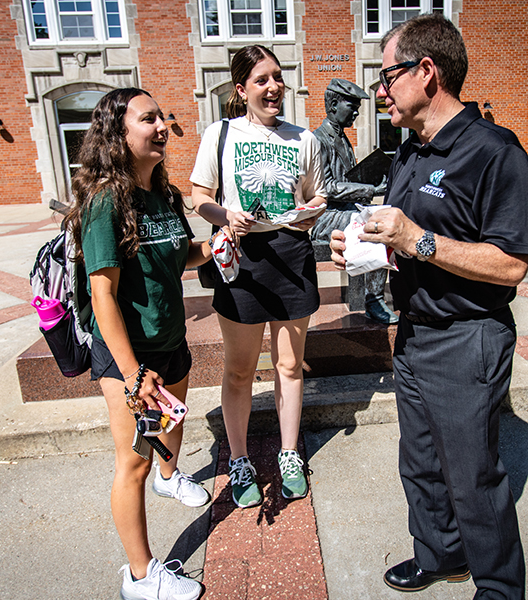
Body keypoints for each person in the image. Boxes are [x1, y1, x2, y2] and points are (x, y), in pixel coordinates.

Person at [329, 15, 528, 599]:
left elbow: (511, 263)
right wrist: (361, 247)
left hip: (468, 337)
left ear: (427, 72)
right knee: (419, 464)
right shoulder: (410, 152)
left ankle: (499, 587)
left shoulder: (493, 151)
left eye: (387, 75)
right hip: (414, 332)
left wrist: (418, 239)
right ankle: (440, 554)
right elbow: (399, 238)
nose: (380, 90)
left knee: (473, 479)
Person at [62, 88, 212, 600]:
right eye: (149, 119)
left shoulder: (164, 195)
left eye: (162, 117)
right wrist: (131, 376)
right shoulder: (106, 200)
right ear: (117, 133)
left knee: (172, 425)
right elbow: (101, 295)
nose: (162, 126)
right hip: (128, 356)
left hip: (170, 339)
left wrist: (211, 248)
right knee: (133, 462)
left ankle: (170, 477)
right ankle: (141, 575)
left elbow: (179, 253)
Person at [190, 45, 326, 508]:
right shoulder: (220, 133)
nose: (274, 88)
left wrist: (311, 212)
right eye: (262, 80)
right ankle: (240, 459)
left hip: (291, 255)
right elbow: (198, 197)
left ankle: (290, 454)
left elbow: (313, 198)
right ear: (241, 88)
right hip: (242, 260)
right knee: (240, 369)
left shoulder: (304, 139)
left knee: (289, 366)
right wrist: (225, 215)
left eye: (278, 77)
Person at [310, 78, 397, 324]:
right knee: (373, 227)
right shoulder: (319, 139)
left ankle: (379, 293)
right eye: (353, 106)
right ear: (334, 105)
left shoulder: (343, 138)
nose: (357, 112)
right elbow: (326, 187)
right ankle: (373, 300)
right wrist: (369, 189)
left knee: (384, 216)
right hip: (325, 215)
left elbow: (346, 178)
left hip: (344, 208)